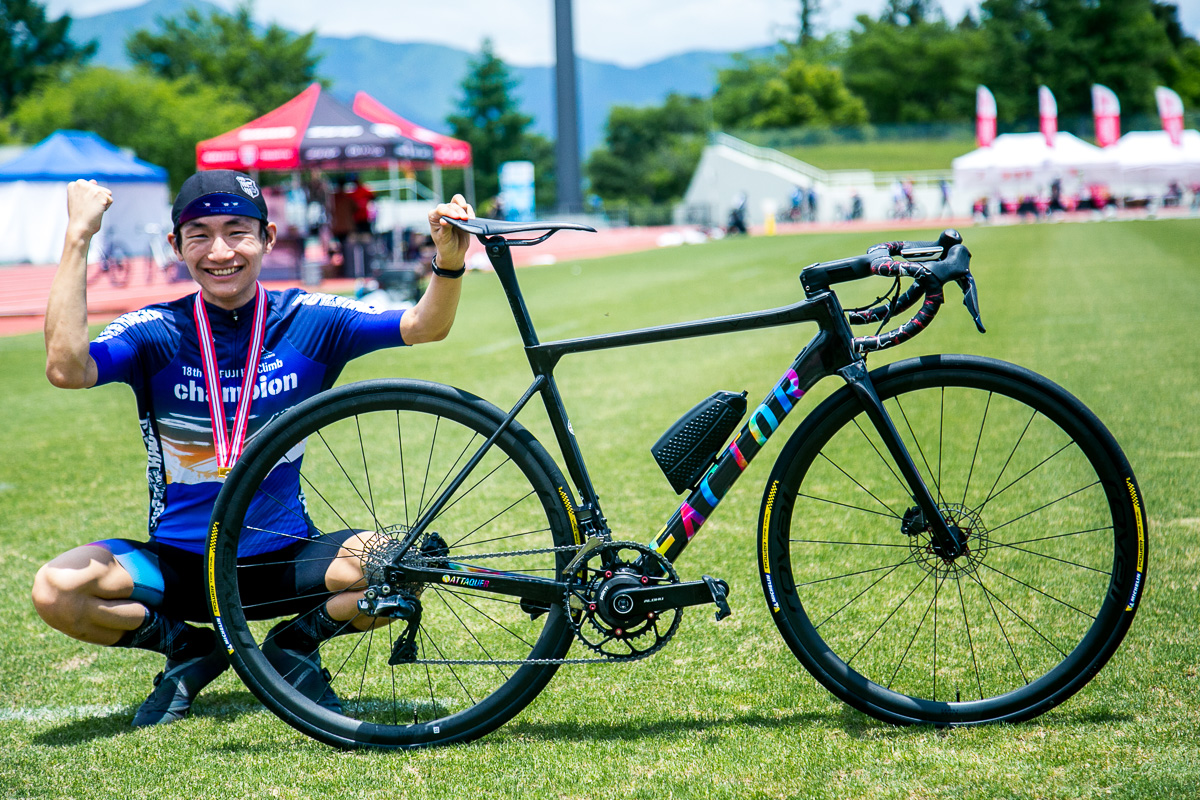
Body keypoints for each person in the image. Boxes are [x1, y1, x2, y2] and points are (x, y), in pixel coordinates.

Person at [32, 169, 475, 727]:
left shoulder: (310, 319)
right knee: (57, 588)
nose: (220, 251)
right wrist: (78, 237)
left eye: (237, 231)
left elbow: (423, 325)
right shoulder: (155, 331)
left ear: (267, 239)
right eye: (200, 234)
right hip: (184, 569)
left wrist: (449, 261)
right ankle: (190, 650)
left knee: (408, 560)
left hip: (284, 562)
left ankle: (294, 644)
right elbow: (66, 368)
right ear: (177, 247)